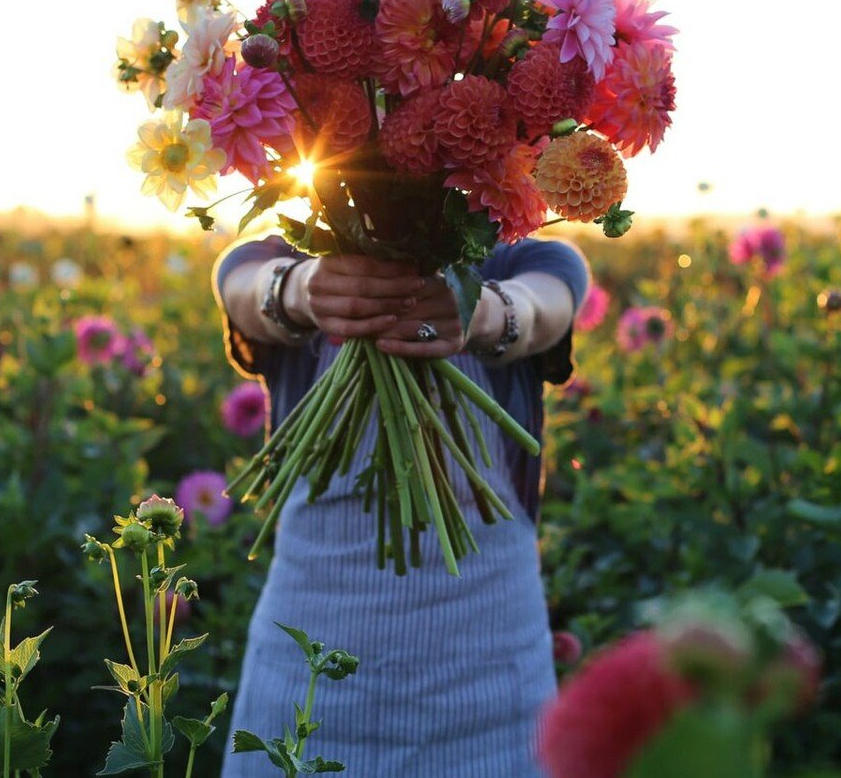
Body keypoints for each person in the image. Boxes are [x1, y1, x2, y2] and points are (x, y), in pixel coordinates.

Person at [215, 234, 590, 777]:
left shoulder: (529, 260)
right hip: (307, 670)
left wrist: (482, 313)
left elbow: (541, 307)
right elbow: (243, 288)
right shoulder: (281, 258)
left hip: (491, 679)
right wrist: (303, 290)